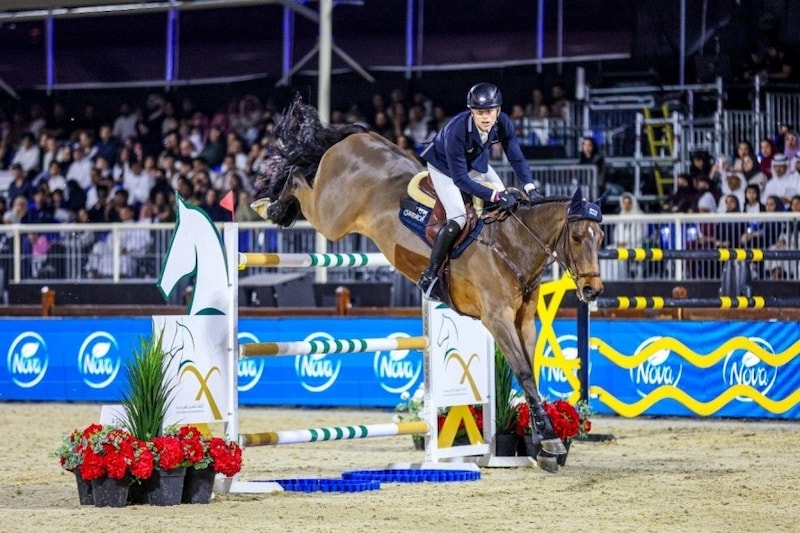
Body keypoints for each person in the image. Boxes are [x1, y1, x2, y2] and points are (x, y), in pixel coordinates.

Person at [417, 82, 537, 301]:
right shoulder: (456, 130)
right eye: (479, 112)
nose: (484, 117)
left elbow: (516, 157)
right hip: (445, 168)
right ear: (471, 112)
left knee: (507, 199)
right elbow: (461, 179)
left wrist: (530, 187)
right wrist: (496, 196)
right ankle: (429, 275)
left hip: (474, 161)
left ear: (498, 111)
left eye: (489, 111)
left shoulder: (503, 123)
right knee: (459, 217)